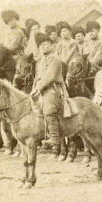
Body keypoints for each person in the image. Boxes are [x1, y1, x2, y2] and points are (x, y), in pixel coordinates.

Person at [32, 32, 66, 160]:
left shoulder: (55, 59)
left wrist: (38, 88)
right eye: (40, 45)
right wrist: (33, 90)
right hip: (40, 89)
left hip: (53, 89)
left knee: (49, 111)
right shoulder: (40, 61)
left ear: (52, 45)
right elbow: (37, 77)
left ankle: (55, 144)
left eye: (45, 44)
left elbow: (49, 77)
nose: (43, 47)